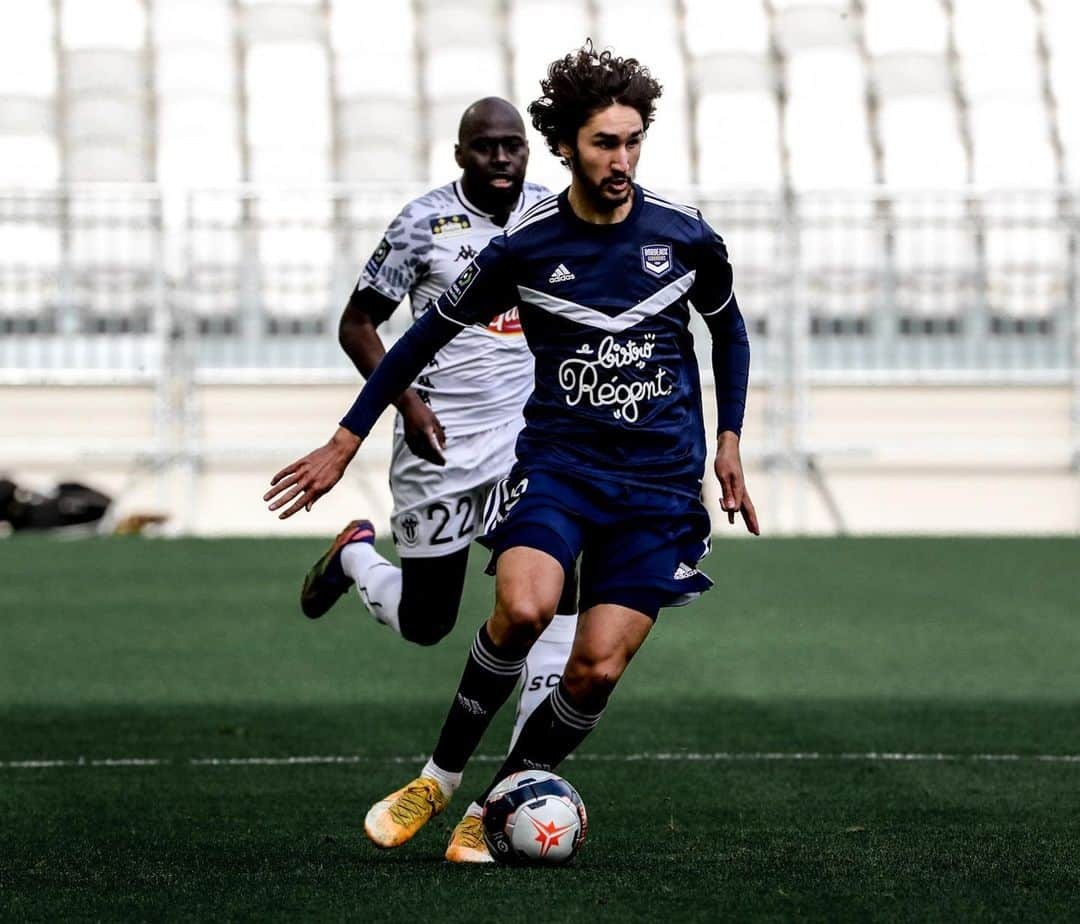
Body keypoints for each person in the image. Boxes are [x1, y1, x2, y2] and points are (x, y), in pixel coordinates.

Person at [264, 43, 759, 862]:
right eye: (605, 143)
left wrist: (732, 439)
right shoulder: (527, 247)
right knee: (523, 610)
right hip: (559, 470)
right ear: (566, 144)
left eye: (634, 141)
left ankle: (499, 800)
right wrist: (345, 440)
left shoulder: (684, 238)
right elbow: (417, 336)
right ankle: (439, 777)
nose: (623, 160)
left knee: (596, 671)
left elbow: (728, 330)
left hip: (660, 489)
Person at [294, 97, 578, 862]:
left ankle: (515, 781)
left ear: (530, 152)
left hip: (530, 443)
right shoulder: (423, 223)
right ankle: (355, 552)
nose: (499, 158)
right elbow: (359, 322)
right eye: (484, 147)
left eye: (511, 146)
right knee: (428, 623)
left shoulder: (555, 215)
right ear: (460, 155)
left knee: (551, 598)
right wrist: (407, 402)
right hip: (440, 444)